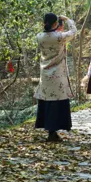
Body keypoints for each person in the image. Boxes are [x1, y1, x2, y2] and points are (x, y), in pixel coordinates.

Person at [35, 13, 77, 142]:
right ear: (55, 24)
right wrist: (68, 20)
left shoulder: (39, 36)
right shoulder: (59, 37)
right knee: (57, 103)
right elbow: (74, 31)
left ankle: (50, 130)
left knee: (47, 102)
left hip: (45, 75)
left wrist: (56, 28)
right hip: (57, 75)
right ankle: (54, 132)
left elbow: (50, 35)